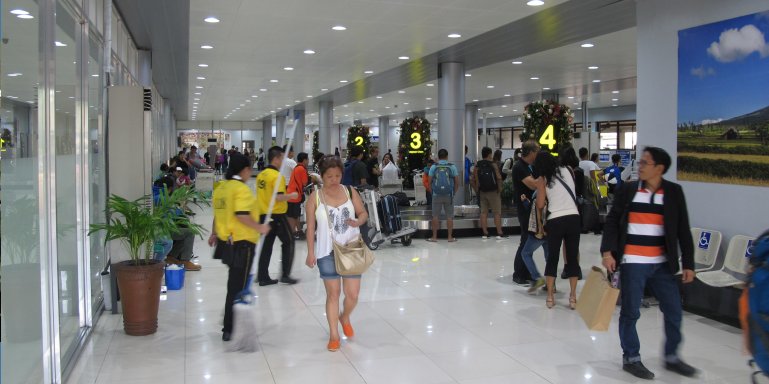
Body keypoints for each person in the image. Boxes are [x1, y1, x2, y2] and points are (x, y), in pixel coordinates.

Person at [601, 146, 698, 380]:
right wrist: (607, 251)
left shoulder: (674, 192)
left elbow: (683, 230)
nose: (640, 166)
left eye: (645, 163)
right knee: (631, 312)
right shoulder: (628, 189)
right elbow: (612, 221)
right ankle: (631, 357)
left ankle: (672, 356)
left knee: (674, 311)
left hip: (663, 264)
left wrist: (689, 264)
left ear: (660, 168)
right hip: (633, 262)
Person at [305, 155, 369, 352]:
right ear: (321, 176)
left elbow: (363, 213)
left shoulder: (350, 191)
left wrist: (358, 221)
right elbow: (310, 228)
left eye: (338, 175)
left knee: (353, 295)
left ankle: (345, 316)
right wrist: (310, 252)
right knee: (333, 294)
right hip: (326, 251)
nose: (334, 180)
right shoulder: (314, 197)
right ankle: (334, 334)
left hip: (351, 249)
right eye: (330, 176)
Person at [207, 153, 270, 341]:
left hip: (227, 243)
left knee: (234, 285)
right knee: (239, 288)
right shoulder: (240, 190)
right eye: (249, 169)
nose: (249, 173)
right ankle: (231, 327)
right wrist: (260, 227)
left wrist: (214, 233)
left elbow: (219, 214)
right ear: (244, 170)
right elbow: (241, 214)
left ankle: (229, 324)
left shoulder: (221, 188)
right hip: (242, 244)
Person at [533, 151, 581, 309]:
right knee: (572, 258)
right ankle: (573, 297)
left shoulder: (542, 179)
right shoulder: (568, 169)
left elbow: (540, 204)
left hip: (556, 220)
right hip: (574, 217)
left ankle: (550, 297)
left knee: (553, 257)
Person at [256, 146, 301, 286]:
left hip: (263, 215)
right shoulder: (277, 176)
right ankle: (285, 275)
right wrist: (292, 195)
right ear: (276, 158)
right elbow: (279, 197)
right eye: (282, 158)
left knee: (266, 246)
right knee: (289, 242)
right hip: (276, 216)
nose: (283, 161)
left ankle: (262, 276)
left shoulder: (261, 175)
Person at [511, 140, 540, 285]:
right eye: (537, 151)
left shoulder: (530, 167)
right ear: (531, 152)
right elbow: (534, 184)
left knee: (529, 240)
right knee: (525, 240)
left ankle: (526, 270)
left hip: (532, 208)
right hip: (524, 208)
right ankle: (518, 273)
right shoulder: (519, 167)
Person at [427, 149, 460, 242]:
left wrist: (432, 192)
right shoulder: (452, 166)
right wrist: (453, 192)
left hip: (436, 194)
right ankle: (450, 237)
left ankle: (434, 237)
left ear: (438, 156)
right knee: (449, 216)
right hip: (448, 195)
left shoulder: (434, 167)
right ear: (447, 156)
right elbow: (457, 182)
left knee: (435, 216)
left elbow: (429, 182)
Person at [473, 147, 505, 239]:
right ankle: (499, 232)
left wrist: (477, 190)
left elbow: (474, 179)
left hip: (482, 191)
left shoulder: (477, 165)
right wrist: (500, 188)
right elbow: (498, 177)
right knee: (497, 212)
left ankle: (485, 233)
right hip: (493, 191)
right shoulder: (493, 164)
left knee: (483, 212)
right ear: (490, 154)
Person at [287, 152, 310, 239]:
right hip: (295, 195)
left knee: (292, 215)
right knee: (294, 215)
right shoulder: (302, 169)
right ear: (304, 160)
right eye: (307, 159)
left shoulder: (296, 168)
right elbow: (304, 182)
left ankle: (298, 231)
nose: (308, 161)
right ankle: (292, 234)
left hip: (290, 193)